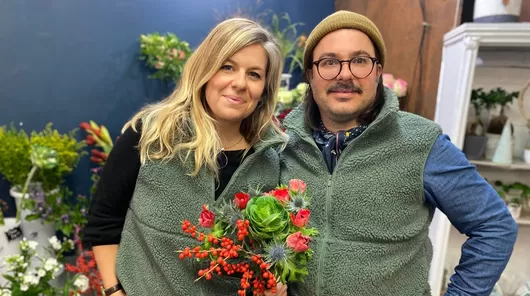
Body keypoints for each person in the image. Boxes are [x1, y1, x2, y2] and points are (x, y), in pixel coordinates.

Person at [280, 10, 518, 296]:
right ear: (310, 74)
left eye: (359, 61)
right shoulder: (284, 143)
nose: (345, 74)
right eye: (329, 62)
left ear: (378, 71)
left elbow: (494, 225)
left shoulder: (421, 143)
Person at [83, 18, 289, 296]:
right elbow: (103, 223)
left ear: (265, 88)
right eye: (227, 66)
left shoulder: (269, 159)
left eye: (254, 74)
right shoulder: (152, 134)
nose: (240, 83)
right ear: (206, 69)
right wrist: (114, 291)